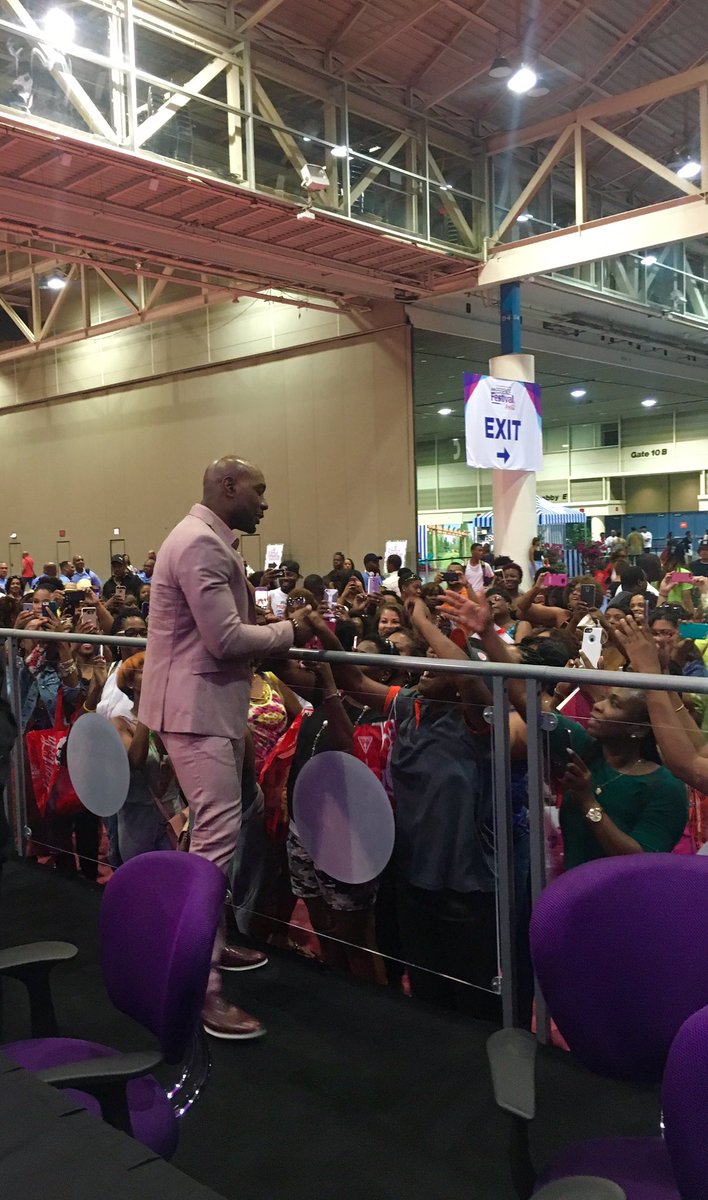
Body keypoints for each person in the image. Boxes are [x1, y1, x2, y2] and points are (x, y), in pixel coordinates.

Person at [139, 455, 314, 1040]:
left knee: (212, 837)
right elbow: (225, 641)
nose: (266, 501)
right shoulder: (201, 544)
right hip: (196, 711)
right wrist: (292, 629)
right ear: (229, 486)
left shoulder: (203, 539)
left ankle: (210, 943)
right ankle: (202, 985)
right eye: (259, 490)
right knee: (215, 843)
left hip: (199, 708)